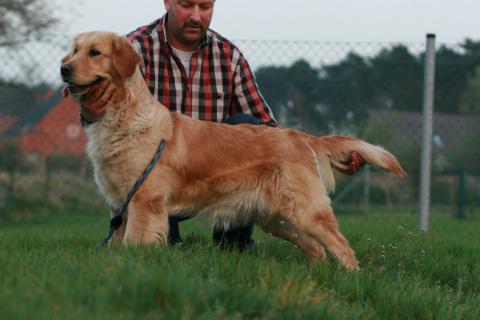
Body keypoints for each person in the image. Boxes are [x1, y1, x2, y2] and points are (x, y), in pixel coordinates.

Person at [75, 0, 365, 250]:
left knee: (247, 123)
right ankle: (150, 243)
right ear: (167, 2)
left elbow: (267, 129)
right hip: (155, 179)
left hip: (211, 174)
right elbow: (95, 105)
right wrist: (89, 111)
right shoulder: (133, 49)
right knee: (154, 240)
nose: (196, 16)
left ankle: (233, 246)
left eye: (206, 6)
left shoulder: (229, 56)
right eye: (187, 4)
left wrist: (319, 157)